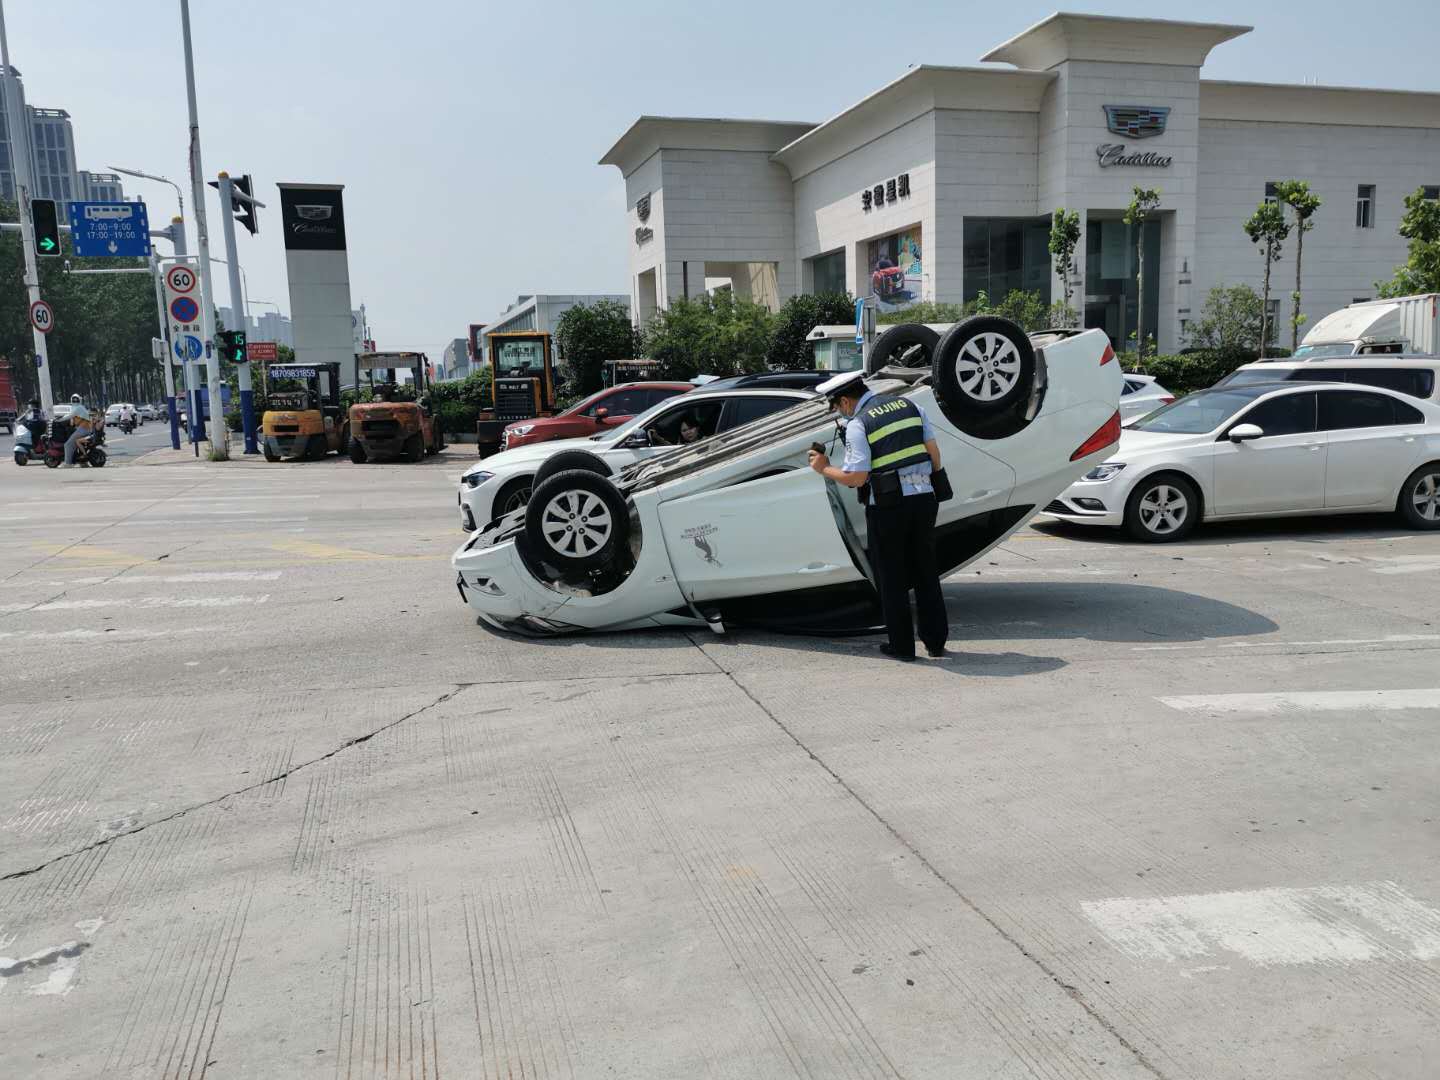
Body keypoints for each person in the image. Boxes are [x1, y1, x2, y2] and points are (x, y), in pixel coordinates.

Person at [807, 371, 948, 661]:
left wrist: (823, 468)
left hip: (889, 507)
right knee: (925, 570)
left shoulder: (860, 423)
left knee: (892, 576)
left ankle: (902, 647)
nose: (840, 415)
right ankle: (935, 642)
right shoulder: (910, 406)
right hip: (924, 500)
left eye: (837, 408)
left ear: (845, 401)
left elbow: (857, 477)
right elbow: (934, 455)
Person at [63, 394, 91, 467]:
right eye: (74, 400)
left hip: (82, 429)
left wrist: (58, 420)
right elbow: (72, 421)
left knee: (68, 444)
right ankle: (83, 462)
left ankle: (68, 463)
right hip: (85, 428)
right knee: (75, 443)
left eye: (76, 400)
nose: (75, 401)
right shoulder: (81, 407)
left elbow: (69, 416)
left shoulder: (77, 408)